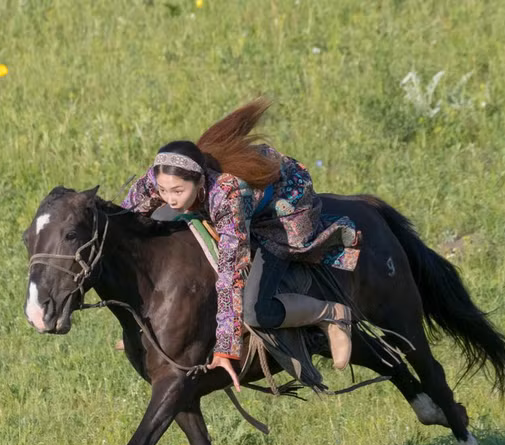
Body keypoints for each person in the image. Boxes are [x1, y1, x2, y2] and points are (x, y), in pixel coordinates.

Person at [122, 98, 361, 390]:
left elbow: (230, 276)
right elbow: (126, 223)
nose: (170, 197)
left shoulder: (226, 196)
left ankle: (331, 314)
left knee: (254, 310)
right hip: (241, 205)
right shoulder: (162, 176)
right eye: (163, 189)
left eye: (178, 191)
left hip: (284, 207)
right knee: (161, 218)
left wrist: (225, 349)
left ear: (199, 182)